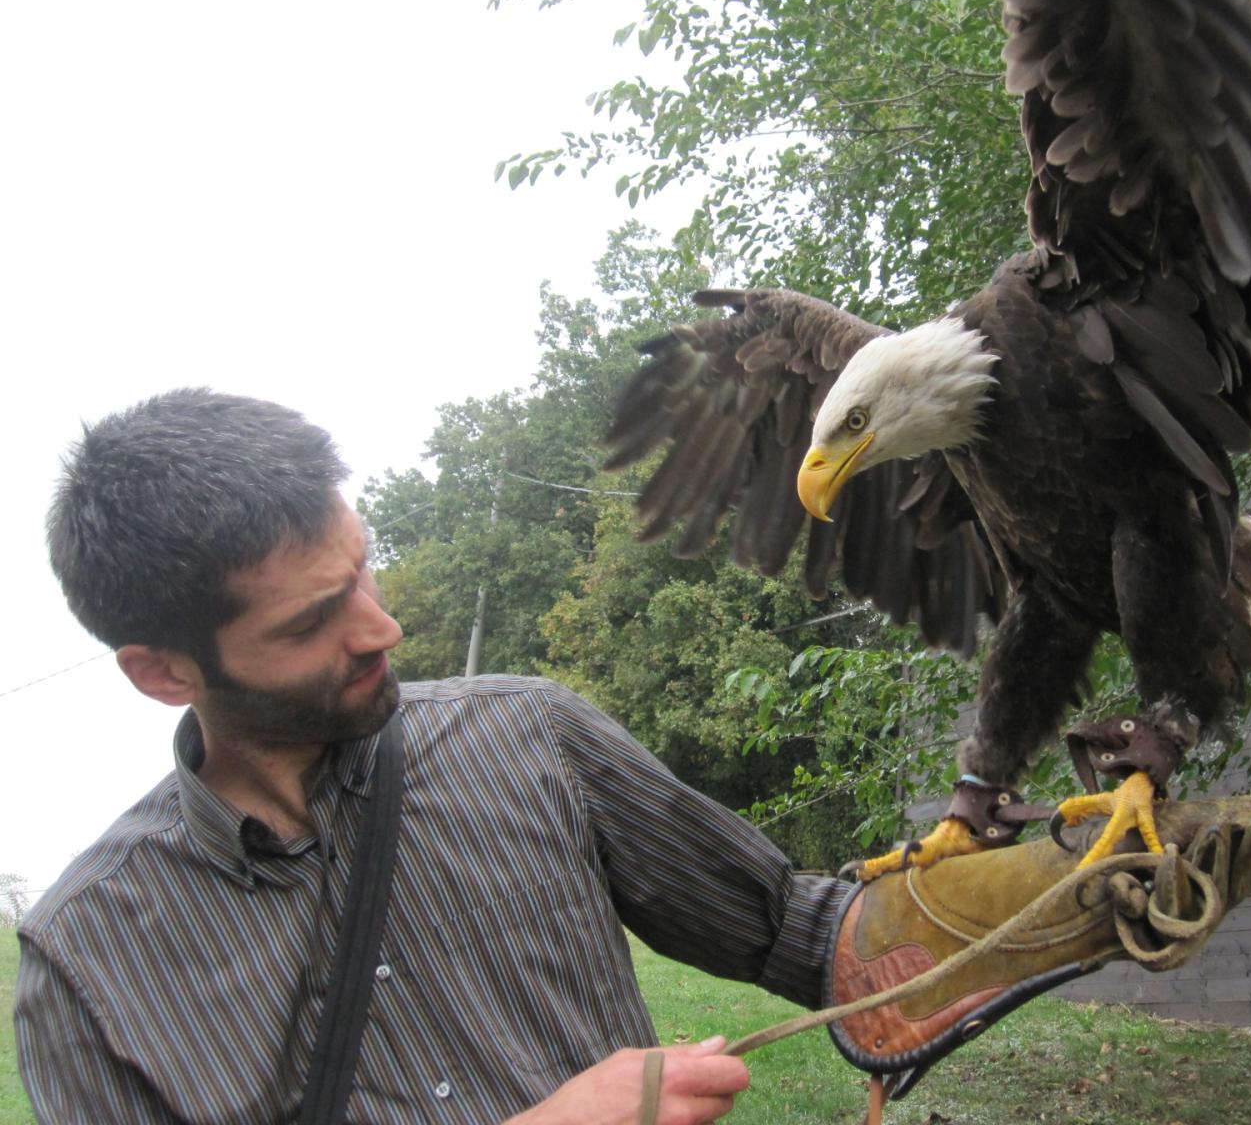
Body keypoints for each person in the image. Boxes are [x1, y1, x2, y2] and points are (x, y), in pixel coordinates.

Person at [16, 388, 849, 1124]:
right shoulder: (88, 960)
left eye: (361, 568)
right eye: (310, 622)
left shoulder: (533, 736)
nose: (383, 628)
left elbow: (796, 929)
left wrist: (914, 914)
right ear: (164, 673)